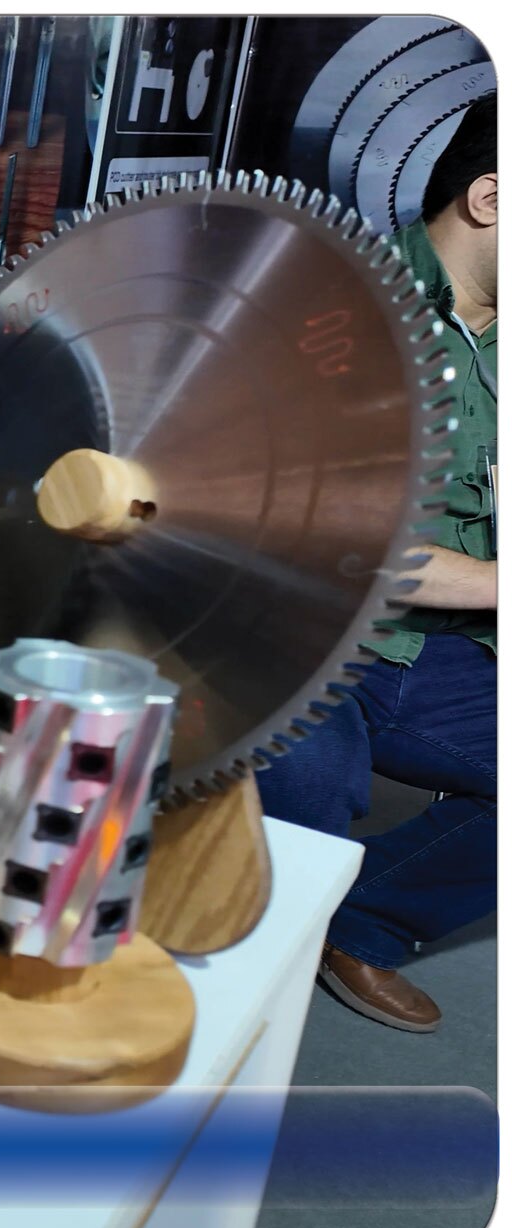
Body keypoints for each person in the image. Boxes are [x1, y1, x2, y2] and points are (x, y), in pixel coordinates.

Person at [257, 95, 497, 1033]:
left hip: (440, 648)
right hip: (301, 637)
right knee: (300, 838)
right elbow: (328, 541)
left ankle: (367, 925)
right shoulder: (339, 316)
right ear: (489, 198)